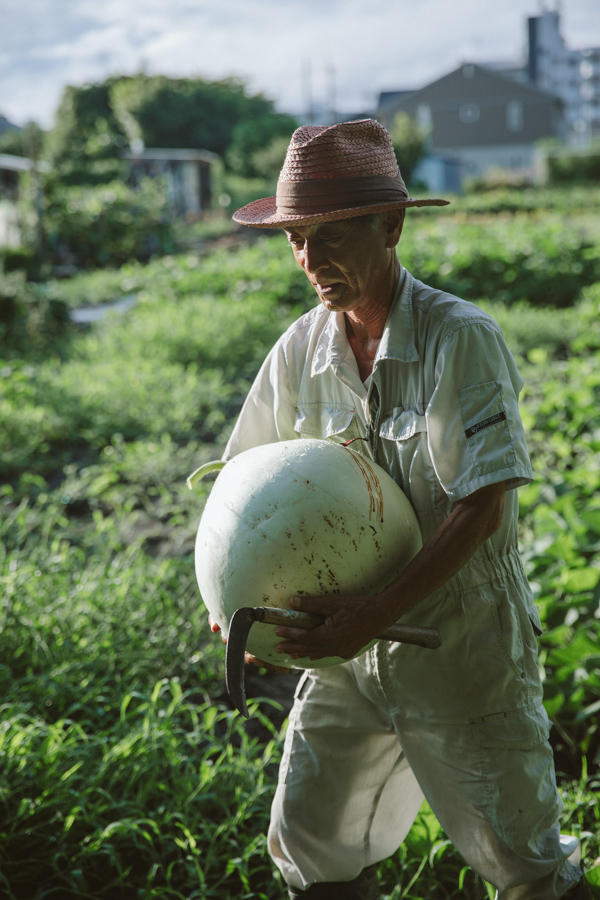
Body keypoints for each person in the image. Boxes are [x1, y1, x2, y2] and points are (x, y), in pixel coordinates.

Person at [212, 119, 588, 900]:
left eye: (330, 235)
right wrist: (232, 598)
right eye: (296, 240)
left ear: (390, 225)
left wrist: (375, 610)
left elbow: (481, 505)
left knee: (523, 863)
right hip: (345, 656)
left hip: (459, 642)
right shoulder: (299, 351)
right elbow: (241, 487)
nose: (310, 260)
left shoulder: (459, 340)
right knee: (311, 840)